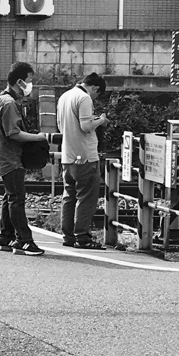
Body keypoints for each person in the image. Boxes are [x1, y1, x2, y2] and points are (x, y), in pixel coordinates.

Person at [0, 61, 50, 256]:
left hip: (6, 156)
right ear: (19, 81)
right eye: (29, 80)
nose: (30, 84)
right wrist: (39, 137)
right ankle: (24, 240)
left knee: (10, 197)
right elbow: (13, 133)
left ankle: (5, 237)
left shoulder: (3, 99)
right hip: (11, 158)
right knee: (17, 199)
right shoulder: (8, 103)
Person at [56, 72, 109, 250]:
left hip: (68, 155)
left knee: (69, 197)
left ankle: (68, 235)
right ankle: (82, 237)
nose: (95, 97)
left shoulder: (65, 96)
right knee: (86, 197)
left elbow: (61, 125)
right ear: (94, 87)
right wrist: (100, 120)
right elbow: (85, 126)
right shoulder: (84, 98)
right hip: (85, 156)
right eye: (97, 93)